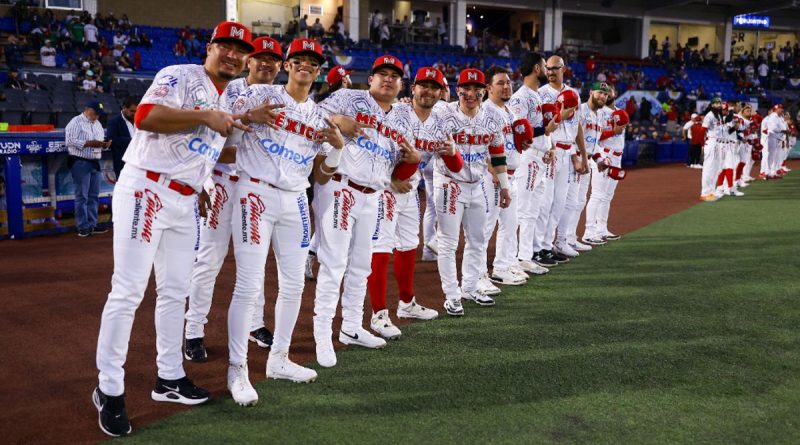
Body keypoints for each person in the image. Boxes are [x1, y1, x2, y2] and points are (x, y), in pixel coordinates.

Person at [93, 21, 254, 437]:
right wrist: (208, 115)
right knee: (128, 291)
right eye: (228, 47)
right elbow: (146, 116)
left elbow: (210, 147)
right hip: (147, 187)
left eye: (242, 50)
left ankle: (168, 377)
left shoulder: (231, 94)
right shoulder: (179, 75)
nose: (234, 55)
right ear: (211, 46)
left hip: (185, 199)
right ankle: (109, 389)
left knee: (174, 292)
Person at [225, 38, 343, 405]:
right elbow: (222, 134)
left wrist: (337, 148)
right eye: (299, 60)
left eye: (312, 61)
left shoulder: (321, 117)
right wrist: (245, 118)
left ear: (319, 71)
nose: (305, 65)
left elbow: (322, 177)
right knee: (248, 283)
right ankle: (238, 370)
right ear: (287, 65)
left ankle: (279, 359)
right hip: (254, 191)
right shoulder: (258, 93)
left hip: (295, 198)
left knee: (294, 285)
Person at [313, 54, 420, 366]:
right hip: (341, 186)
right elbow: (309, 117)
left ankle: (350, 327)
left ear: (401, 84)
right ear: (370, 78)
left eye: (394, 75)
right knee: (334, 265)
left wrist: (410, 162)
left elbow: (397, 164)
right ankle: (322, 334)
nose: (387, 79)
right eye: (381, 74)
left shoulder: (402, 118)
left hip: (374, 194)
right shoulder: (348, 97)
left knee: (361, 265)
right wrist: (336, 120)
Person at [184, 36, 285, 362]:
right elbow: (203, 141)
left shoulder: (282, 97)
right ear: (248, 61)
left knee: (254, 263)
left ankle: (255, 324)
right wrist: (200, 184)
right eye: (260, 57)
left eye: (273, 59)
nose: (266, 64)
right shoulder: (229, 90)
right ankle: (194, 330)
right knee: (209, 258)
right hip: (223, 182)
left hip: (257, 189)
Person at [366, 67, 448, 340]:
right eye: (423, 85)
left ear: (440, 92)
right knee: (380, 247)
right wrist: (389, 180)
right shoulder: (396, 113)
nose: (428, 90)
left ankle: (406, 303)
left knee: (409, 244)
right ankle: (378, 314)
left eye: (434, 87)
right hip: (385, 188)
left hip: (409, 188)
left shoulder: (438, 120)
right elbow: (375, 150)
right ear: (412, 88)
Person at [435, 68, 511, 316]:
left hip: (477, 184)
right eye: (465, 89)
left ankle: (470, 286)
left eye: (476, 90)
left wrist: (505, 186)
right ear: (457, 90)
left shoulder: (492, 117)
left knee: (477, 239)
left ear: (483, 91)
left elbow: (498, 155)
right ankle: (452, 295)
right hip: (449, 182)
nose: (470, 94)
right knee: (447, 242)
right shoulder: (442, 112)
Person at [478, 66, 530, 289]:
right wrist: (493, 171)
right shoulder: (486, 111)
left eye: (508, 82)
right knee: (484, 228)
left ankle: (502, 266)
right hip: (493, 177)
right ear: (489, 88)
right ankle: (478, 274)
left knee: (510, 224)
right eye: (500, 83)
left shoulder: (510, 112)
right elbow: (481, 146)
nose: (506, 86)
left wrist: (522, 143)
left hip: (511, 175)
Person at [507, 51, 558, 276]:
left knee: (532, 212)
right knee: (521, 211)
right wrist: (544, 131)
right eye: (545, 66)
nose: (548, 71)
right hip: (528, 158)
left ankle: (524, 256)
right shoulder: (520, 96)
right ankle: (511, 258)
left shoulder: (536, 95)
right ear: (537, 69)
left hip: (540, 157)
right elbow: (519, 129)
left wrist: (548, 146)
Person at [538, 56, 588, 260]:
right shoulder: (541, 94)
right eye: (547, 68)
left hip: (569, 152)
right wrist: (562, 112)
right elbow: (543, 126)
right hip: (551, 151)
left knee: (561, 202)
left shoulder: (573, 93)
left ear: (563, 69)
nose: (550, 72)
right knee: (545, 202)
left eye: (554, 68)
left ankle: (555, 243)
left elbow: (577, 126)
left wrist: (582, 155)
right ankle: (540, 246)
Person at [584, 84, 628, 243]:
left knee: (608, 196)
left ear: (615, 93)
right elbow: (595, 135)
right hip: (604, 154)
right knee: (597, 194)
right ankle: (589, 231)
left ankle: (602, 228)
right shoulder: (600, 112)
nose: (607, 94)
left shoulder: (619, 112)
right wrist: (613, 131)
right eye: (604, 92)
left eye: (609, 91)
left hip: (617, 156)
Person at [66, 101, 112, 237]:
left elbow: (100, 141)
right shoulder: (75, 122)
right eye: (95, 112)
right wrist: (88, 143)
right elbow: (69, 141)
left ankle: (93, 224)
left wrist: (105, 144)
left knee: (93, 196)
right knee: (82, 196)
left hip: (95, 161)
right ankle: (82, 227)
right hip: (80, 161)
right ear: (87, 109)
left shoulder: (97, 124)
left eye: (99, 114)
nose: (97, 116)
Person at [106, 95, 139, 179]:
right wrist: (133, 141)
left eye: (137, 111)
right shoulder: (114, 121)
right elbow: (111, 139)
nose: (134, 114)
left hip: (139, 164)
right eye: (132, 111)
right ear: (124, 108)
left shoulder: (139, 121)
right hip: (122, 164)